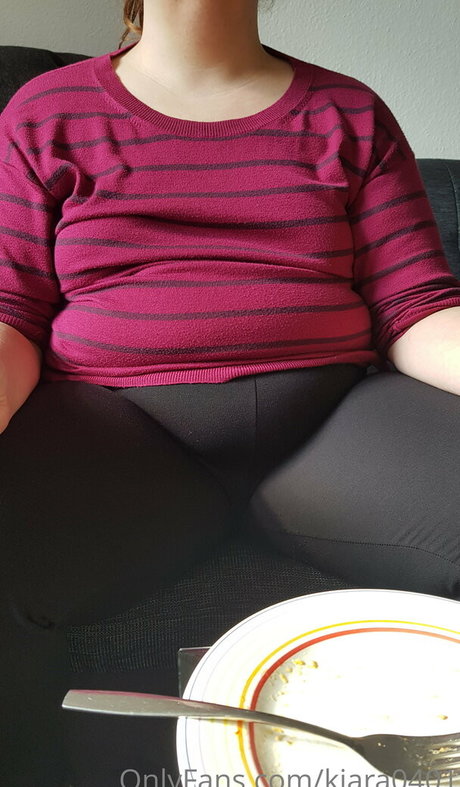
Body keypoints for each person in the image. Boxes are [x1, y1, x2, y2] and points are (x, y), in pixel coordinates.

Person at [1, 0, 460, 784]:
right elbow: (13, 309)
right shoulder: (46, 111)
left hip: (332, 429)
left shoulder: (348, 111)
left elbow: (414, 304)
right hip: (117, 436)